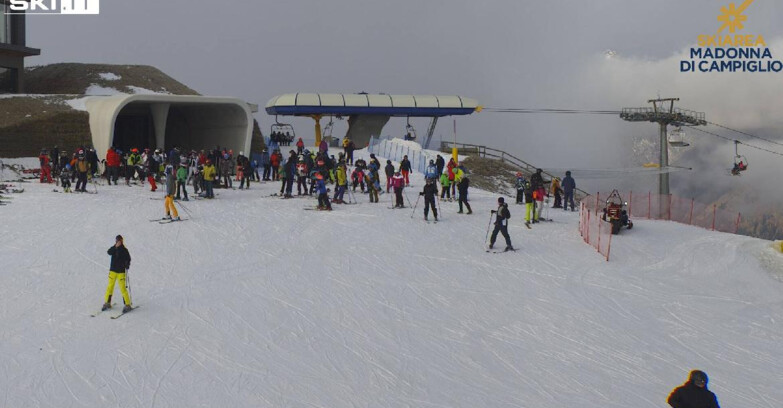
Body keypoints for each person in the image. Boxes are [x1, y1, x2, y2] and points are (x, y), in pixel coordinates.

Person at [103, 235, 133, 313]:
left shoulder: (124, 250)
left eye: (120, 241)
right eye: (118, 241)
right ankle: (107, 302)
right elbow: (109, 252)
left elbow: (128, 259)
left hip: (120, 272)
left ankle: (127, 304)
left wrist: (127, 264)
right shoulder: (114, 248)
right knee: (110, 287)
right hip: (113, 271)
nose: (119, 242)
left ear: (122, 241)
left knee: (123, 288)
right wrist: (115, 247)